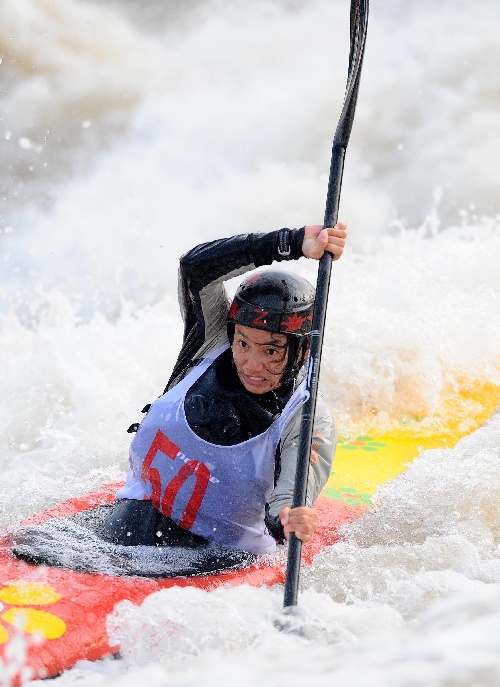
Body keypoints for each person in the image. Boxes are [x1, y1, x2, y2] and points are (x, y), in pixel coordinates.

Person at [13, 222, 347, 576]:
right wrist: (290, 242)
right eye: (244, 343)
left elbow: (290, 499)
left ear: (302, 351)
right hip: (123, 524)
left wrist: (289, 517)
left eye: (271, 351)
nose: (252, 364)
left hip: (208, 561)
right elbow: (196, 268)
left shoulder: (306, 417)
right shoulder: (209, 345)